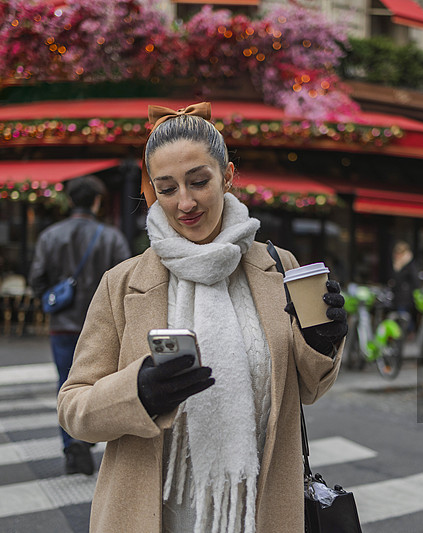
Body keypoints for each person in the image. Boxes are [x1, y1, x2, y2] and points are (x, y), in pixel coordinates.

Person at [57, 103, 348, 533]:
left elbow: (308, 388)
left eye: (199, 181)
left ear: (227, 176)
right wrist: (137, 394)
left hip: (260, 513)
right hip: (155, 516)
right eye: (167, 188)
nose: (185, 202)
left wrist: (322, 343)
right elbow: (73, 407)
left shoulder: (278, 265)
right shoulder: (121, 284)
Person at [29, 175, 131, 476]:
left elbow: (37, 279)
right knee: (102, 383)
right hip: (104, 327)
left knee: (67, 383)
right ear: (97, 202)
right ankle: (88, 440)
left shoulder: (50, 236)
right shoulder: (112, 237)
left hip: (63, 323)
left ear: (71, 200)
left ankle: (73, 443)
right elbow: (128, 281)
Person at [388, 240, 421, 332]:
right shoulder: (398, 264)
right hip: (398, 296)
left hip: (405, 297)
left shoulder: (408, 264)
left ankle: (408, 333)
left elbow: (415, 281)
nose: (396, 255)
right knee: (401, 316)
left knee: (404, 316)